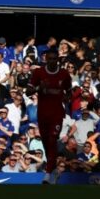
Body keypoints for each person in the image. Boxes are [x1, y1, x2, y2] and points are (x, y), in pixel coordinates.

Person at [28, 48, 71, 184]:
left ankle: (47, 173)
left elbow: (69, 92)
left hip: (57, 113)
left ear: (58, 59)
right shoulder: (39, 72)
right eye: (50, 58)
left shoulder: (64, 74)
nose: (53, 61)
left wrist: (66, 98)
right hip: (42, 114)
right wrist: (38, 88)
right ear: (46, 59)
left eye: (55, 58)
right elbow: (28, 91)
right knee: (47, 143)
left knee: (53, 139)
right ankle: (54, 170)